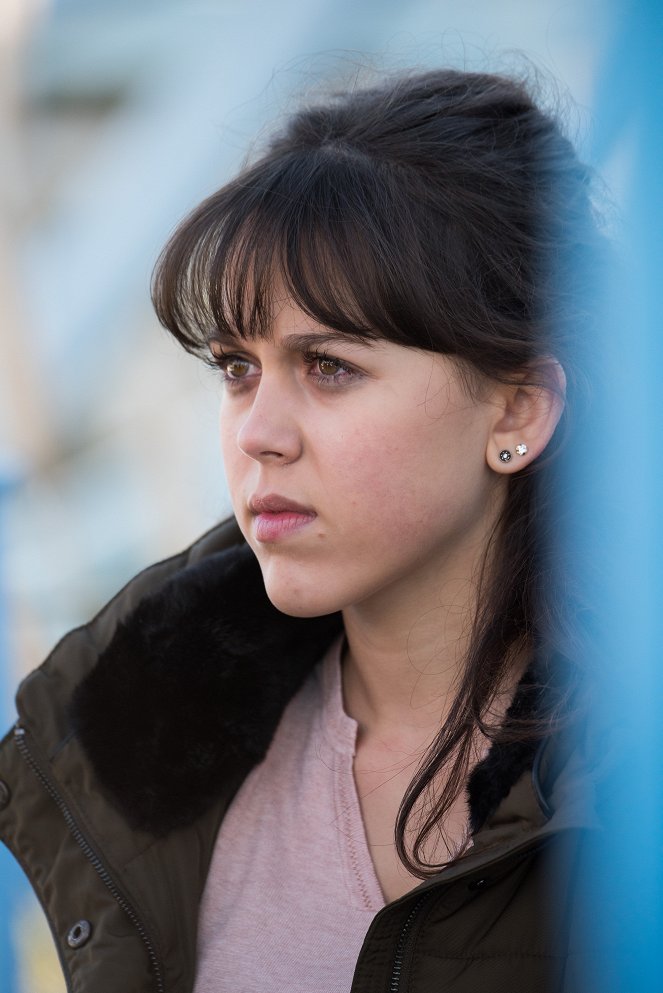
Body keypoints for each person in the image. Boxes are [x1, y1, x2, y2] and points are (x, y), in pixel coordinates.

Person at [0, 67, 605, 992]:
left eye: (327, 367)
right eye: (237, 368)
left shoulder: (625, 793)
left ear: (517, 409)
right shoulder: (138, 731)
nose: (256, 433)